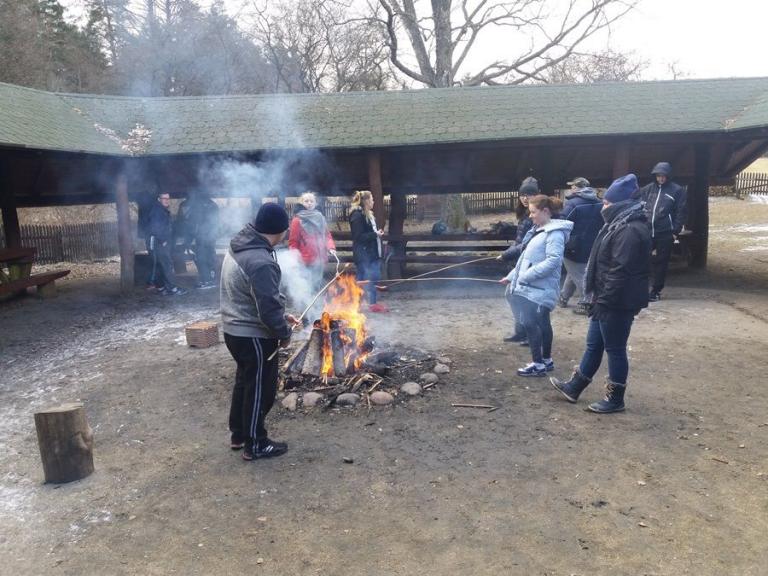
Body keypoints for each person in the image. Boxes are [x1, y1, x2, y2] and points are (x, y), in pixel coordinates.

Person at [550, 174, 651, 413]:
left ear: (619, 203)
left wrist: (603, 301)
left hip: (617, 300)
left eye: (607, 202)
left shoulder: (629, 230)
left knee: (615, 348)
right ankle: (575, 387)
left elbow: (620, 271)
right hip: (605, 297)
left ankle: (616, 399)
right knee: (594, 344)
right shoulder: (617, 223)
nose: (603, 206)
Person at [220, 203, 300, 460]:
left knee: (245, 382)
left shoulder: (241, 245)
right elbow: (266, 308)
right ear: (280, 230)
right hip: (252, 334)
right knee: (260, 389)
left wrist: (279, 313)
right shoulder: (261, 261)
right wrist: (283, 331)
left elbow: (257, 296)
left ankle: (239, 433)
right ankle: (256, 442)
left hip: (234, 330)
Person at [501, 195, 573, 377]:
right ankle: (546, 361)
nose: (530, 216)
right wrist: (511, 277)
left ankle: (538, 364)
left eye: (533, 212)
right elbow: (526, 260)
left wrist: (525, 277)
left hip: (539, 289)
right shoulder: (539, 230)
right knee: (541, 323)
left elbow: (553, 261)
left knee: (531, 323)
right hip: (533, 287)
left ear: (546, 211)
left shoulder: (554, 233)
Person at [636, 162, 687, 301]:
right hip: (647, 231)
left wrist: (675, 231)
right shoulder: (647, 189)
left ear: (668, 176)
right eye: (659, 176)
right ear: (655, 176)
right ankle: (640, 288)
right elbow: (638, 206)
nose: (661, 179)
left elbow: (681, 212)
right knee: (641, 260)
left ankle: (656, 291)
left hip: (665, 232)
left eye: (664, 176)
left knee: (661, 262)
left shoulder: (677, 190)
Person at [498, 176, 540, 344]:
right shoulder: (524, 214)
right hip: (521, 261)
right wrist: (508, 253)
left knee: (527, 299)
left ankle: (532, 333)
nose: (525, 198)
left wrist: (507, 254)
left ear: (536, 195)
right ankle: (521, 330)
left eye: (529, 195)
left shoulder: (536, 216)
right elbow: (519, 242)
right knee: (511, 294)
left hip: (532, 263)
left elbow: (528, 244)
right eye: (522, 194)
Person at [559, 177, 603, 314]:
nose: (571, 189)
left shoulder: (573, 204)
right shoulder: (599, 203)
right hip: (593, 243)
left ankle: (587, 302)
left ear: (577, 188)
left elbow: (562, 222)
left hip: (573, 245)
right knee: (574, 271)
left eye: (572, 186)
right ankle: (563, 297)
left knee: (578, 273)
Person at [288, 191, 336, 316]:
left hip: (319, 260)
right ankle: (306, 316)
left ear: (315, 203)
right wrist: (294, 259)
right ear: (301, 203)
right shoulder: (297, 220)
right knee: (306, 290)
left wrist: (331, 247)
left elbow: (327, 235)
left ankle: (315, 316)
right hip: (305, 261)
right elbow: (293, 242)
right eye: (306, 201)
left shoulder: (320, 217)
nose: (309, 203)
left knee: (316, 289)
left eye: (311, 201)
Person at [349, 190, 386, 313]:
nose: (373, 201)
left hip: (371, 253)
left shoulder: (368, 214)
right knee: (362, 279)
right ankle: (358, 304)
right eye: (372, 199)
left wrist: (375, 234)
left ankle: (372, 303)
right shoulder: (357, 215)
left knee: (373, 277)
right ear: (366, 201)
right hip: (363, 254)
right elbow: (358, 237)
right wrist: (375, 234)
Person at [148, 192, 185, 296]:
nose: (166, 200)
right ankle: (172, 288)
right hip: (160, 242)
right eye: (164, 198)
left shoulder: (161, 210)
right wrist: (163, 240)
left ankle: (161, 287)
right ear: (159, 199)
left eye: (168, 198)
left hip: (160, 242)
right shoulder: (158, 211)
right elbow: (155, 228)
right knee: (167, 265)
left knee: (161, 265)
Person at [187, 192, 220, 289]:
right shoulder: (214, 205)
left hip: (202, 237)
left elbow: (193, 223)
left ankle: (206, 281)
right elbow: (216, 223)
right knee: (210, 257)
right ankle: (211, 279)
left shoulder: (198, 206)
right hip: (210, 237)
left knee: (201, 259)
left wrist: (189, 239)